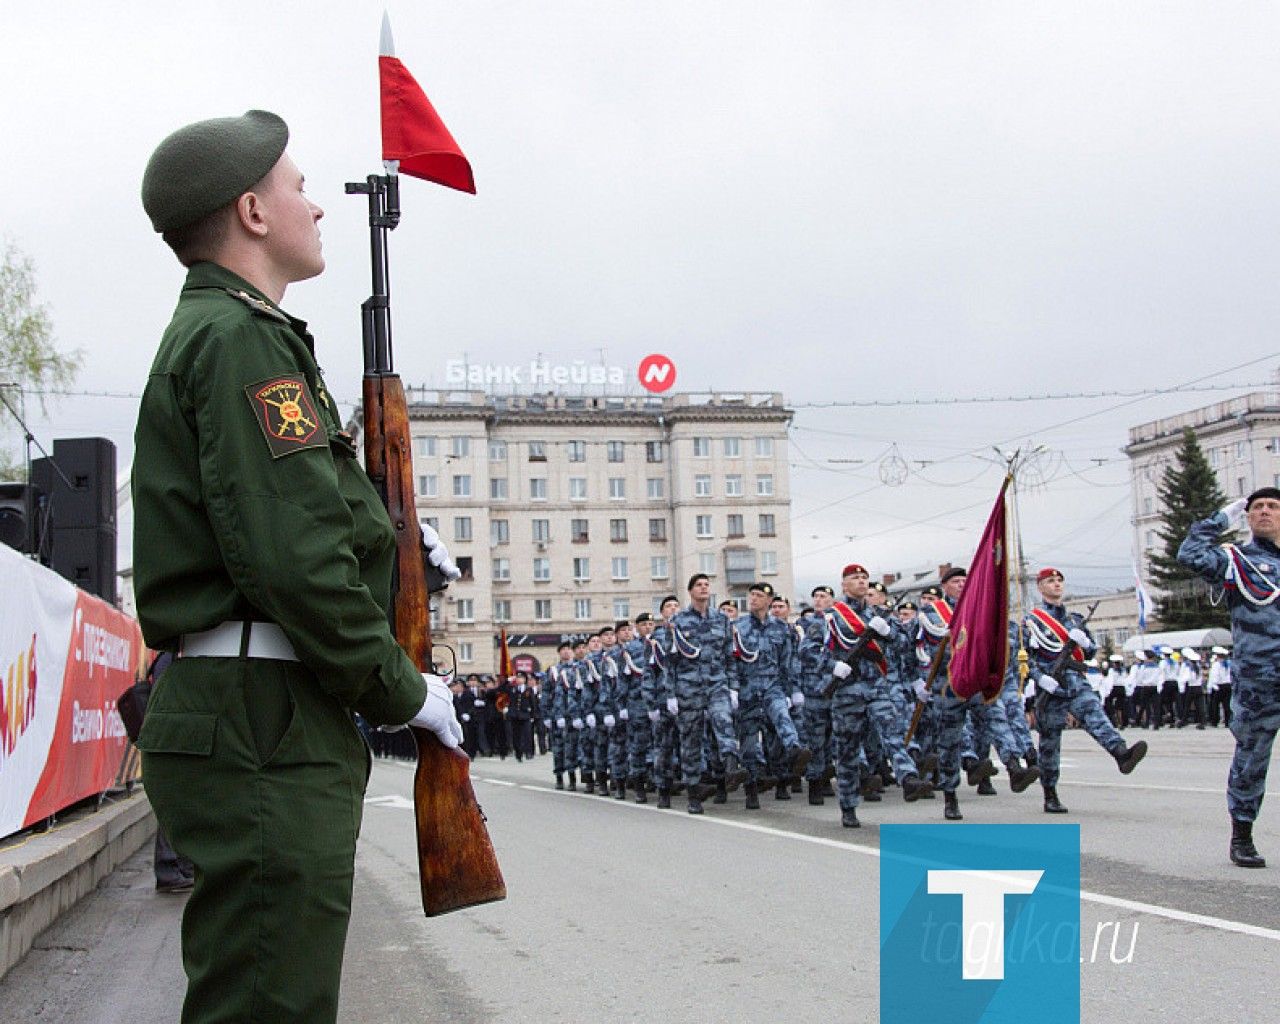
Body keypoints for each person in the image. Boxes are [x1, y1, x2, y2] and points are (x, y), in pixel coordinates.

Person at [131, 111, 464, 1024]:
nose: (317, 206)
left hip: (265, 709)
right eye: (298, 187)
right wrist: (401, 689)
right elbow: (294, 558)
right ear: (251, 211)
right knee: (271, 1002)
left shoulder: (241, 333)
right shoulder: (241, 341)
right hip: (261, 720)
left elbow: (303, 527)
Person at [1178, 489, 1280, 867]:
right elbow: (1189, 554)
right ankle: (1242, 836)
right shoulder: (1237, 562)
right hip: (1259, 681)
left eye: (1273, 506)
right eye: (1257, 508)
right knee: (1252, 759)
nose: (1265, 512)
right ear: (1248, 518)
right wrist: (1221, 519)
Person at [1025, 568, 1146, 815]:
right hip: (1051, 686)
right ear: (1040, 587)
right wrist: (1040, 678)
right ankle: (1050, 793)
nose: (1057, 584)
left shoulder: (1074, 619)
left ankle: (1121, 753)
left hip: (1076, 681)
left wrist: (1085, 642)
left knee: (1096, 716)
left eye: (1059, 580)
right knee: (1050, 744)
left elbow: (1089, 654)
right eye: (1051, 581)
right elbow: (1026, 659)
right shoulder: (1032, 622)